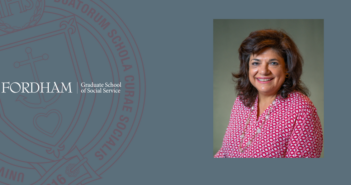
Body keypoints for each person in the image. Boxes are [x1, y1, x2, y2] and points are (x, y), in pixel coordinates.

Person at [214, 29, 323, 158]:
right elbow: (225, 152)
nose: (263, 71)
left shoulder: (301, 109)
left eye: (273, 63)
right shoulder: (242, 100)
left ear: (287, 68)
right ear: (247, 68)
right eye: (256, 63)